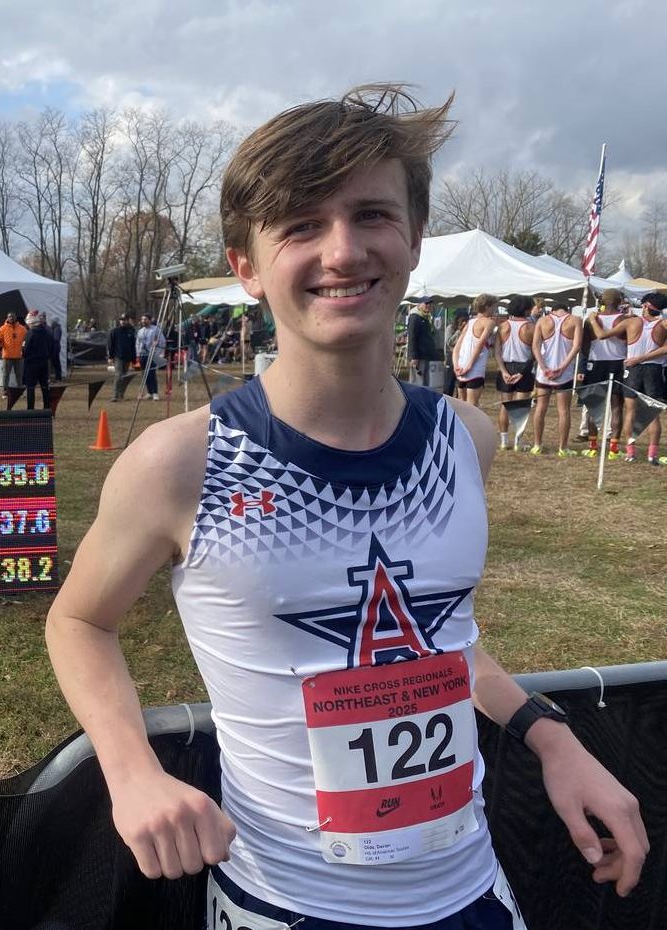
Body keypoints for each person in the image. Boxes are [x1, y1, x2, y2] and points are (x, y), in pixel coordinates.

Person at [45, 84, 647, 929]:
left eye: (370, 215)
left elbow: (442, 644)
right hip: (284, 904)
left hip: (473, 894)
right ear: (247, 267)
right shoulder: (179, 463)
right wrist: (129, 767)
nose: (342, 251)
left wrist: (552, 738)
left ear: (411, 239)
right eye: (300, 225)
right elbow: (78, 622)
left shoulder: (464, 441)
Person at [616, 293, 667, 464]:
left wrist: (593, 319)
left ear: (646, 306)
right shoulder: (663, 324)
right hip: (653, 370)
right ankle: (652, 454)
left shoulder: (631, 322)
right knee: (653, 414)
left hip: (634, 369)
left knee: (631, 411)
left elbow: (603, 334)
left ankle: (631, 452)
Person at [580, 288, 629, 458]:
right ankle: (613, 449)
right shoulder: (623, 319)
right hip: (617, 363)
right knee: (617, 407)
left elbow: (584, 347)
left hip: (596, 363)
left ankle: (593, 447)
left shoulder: (591, 320)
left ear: (602, 301)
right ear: (619, 302)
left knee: (594, 406)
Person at [530, 299, 582, 456]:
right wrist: (562, 367)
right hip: (563, 373)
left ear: (552, 310)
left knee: (540, 408)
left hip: (543, 373)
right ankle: (563, 447)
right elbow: (577, 346)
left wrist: (544, 367)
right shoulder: (576, 320)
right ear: (567, 310)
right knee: (564, 410)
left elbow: (535, 346)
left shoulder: (542, 320)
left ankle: (537, 444)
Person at [494, 295, 536, 450]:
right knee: (521, 406)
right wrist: (523, 373)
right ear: (526, 309)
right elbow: (534, 353)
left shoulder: (502, 326)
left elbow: (497, 352)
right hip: (523, 367)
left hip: (505, 366)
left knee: (505, 405)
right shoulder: (531, 327)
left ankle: (504, 440)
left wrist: (503, 371)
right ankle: (518, 440)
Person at [452, 293, 497, 406]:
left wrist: (456, 365)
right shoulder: (489, 322)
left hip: (460, 368)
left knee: (462, 407)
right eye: (494, 307)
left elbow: (457, 347)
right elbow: (480, 344)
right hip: (474, 370)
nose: (495, 310)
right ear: (487, 307)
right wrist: (469, 366)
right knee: (472, 407)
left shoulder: (469, 322)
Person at [21, 309, 54, 410]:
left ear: (32, 322)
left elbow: (25, 349)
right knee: (45, 387)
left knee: (31, 388)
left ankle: (30, 410)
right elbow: (52, 347)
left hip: (31, 364)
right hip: (44, 363)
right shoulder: (47, 332)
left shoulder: (30, 333)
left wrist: (24, 354)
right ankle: (47, 408)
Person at [406, 296, 437, 387]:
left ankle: (422, 399)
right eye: (426, 303)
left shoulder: (426, 317)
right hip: (418, 357)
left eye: (430, 303)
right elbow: (412, 337)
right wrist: (413, 357)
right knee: (418, 382)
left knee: (424, 382)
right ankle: (416, 400)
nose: (428, 305)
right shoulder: (415, 317)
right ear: (419, 304)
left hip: (426, 355)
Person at [0, 311, 27, 394]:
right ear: (7, 318)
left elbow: (26, 340)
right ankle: (5, 391)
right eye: (9, 316)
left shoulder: (22, 329)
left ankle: (19, 390)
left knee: (19, 374)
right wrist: (0, 348)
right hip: (7, 356)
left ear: (16, 317)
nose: (11, 318)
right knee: (6, 375)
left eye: (13, 316)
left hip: (18, 356)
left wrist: (23, 347)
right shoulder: (2, 328)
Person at [107, 313, 137, 401]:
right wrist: (110, 356)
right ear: (119, 321)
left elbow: (133, 346)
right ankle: (115, 396)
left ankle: (121, 394)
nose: (123, 322)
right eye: (121, 320)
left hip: (127, 357)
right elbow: (110, 345)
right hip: (118, 356)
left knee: (125, 376)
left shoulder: (131, 331)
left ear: (128, 321)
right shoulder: (114, 331)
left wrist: (133, 358)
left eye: (125, 320)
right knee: (118, 375)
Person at [136, 314, 165, 400]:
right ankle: (149, 392)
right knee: (145, 375)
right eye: (142, 320)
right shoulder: (140, 331)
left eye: (145, 319)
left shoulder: (155, 330)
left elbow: (162, 341)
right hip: (142, 355)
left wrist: (158, 352)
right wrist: (138, 353)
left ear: (149, 320)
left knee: (152, 374)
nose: (143, 321)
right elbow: (137, 343)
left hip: (152, 355)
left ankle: (155, 392)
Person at [441, 307, 469, 398]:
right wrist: (459, 331)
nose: (464, 322)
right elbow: (449, 342)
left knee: (461, 384)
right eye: (461, 320)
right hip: (452, 356)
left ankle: (459, 401)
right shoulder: (450, 328)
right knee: (449, 383)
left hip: (463, 357)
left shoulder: (469, 329)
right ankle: (446, 400)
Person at [48, 314, 64, 381]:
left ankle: (58, 377)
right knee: (55, 363)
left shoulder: (57, 328)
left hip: (55, 347)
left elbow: (56, 338)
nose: (51, 321)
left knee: (56, 363)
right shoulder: (54, 327)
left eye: (52, 320)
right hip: (54, 347)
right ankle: (57, 377)